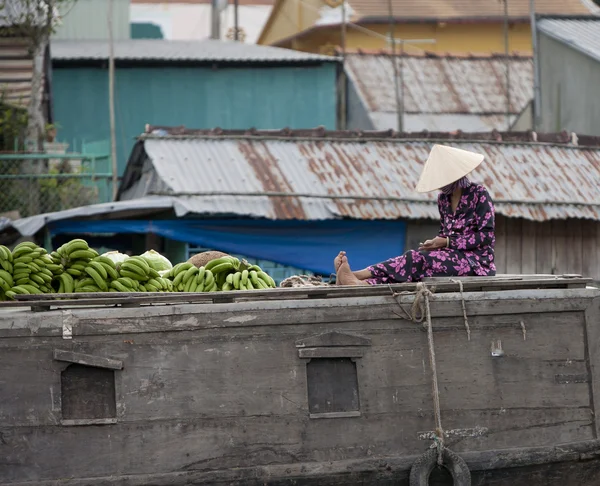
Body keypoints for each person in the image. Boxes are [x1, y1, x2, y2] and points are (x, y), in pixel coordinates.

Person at [334, 144, 496, 286]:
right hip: (450, 256)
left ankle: (358, 274)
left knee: (416, 258)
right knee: (410, 268)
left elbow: (486, 236)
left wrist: (446, 242)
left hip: (475, 262)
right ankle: (364, 283)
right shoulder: (443, 199)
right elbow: (444, 233)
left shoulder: (479, 194)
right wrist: (435, 243)